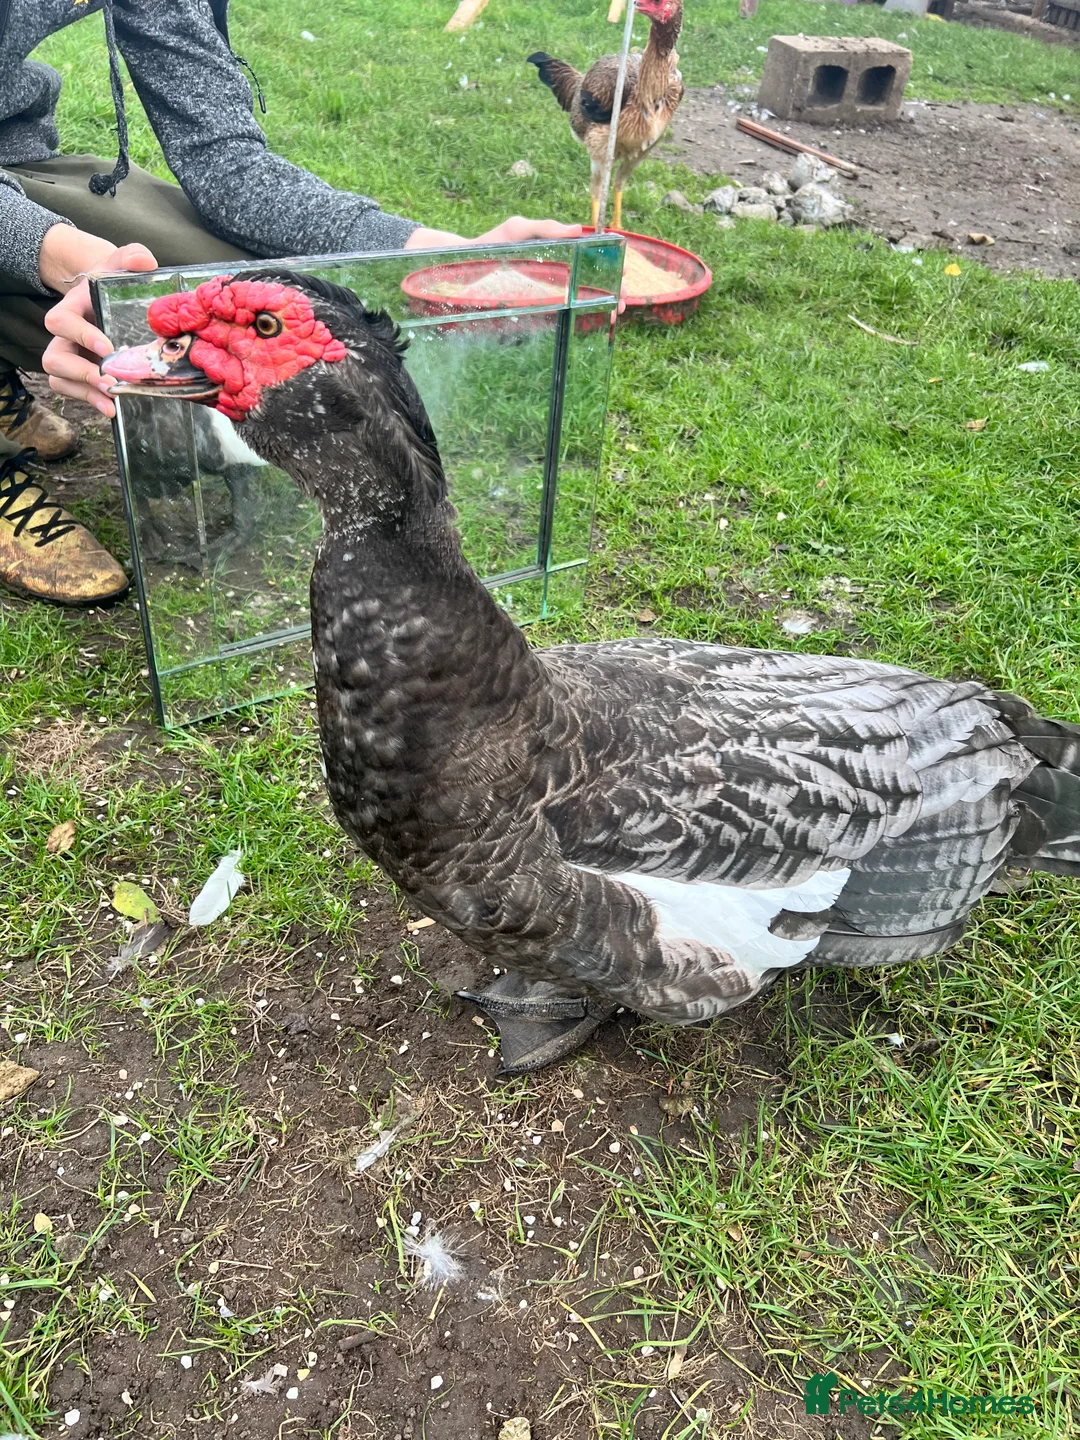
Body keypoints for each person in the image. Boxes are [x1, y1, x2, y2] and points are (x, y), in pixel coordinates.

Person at [0, 0, 579, 606]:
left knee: (218, 307)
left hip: (16, 159)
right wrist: (56, 252)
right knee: (116, 302)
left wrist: (436, 253)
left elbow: (226, 160)